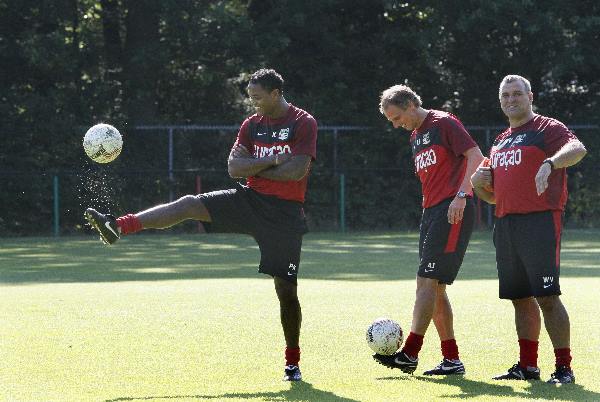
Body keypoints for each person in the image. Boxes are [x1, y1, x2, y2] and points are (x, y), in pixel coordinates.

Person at [84, 68, 318, 382]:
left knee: (286, 291)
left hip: (284, 214)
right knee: (189, 204)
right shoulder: (252, 125)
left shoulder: (303, 123)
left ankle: (292, 362)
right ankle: (118, 227)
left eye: (258, 98)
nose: (254, 104)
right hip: (248, 200)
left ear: (276, 94)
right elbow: (235, 169)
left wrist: (259, 167)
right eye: (251, 98)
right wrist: (275, 161)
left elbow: (297, 172)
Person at [471, 74, 587, 384]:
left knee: (547, 296)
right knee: (519, 298)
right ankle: (527, 366)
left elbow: (577, 148)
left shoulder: (547, 128)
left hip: (540, 222)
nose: (511, 99)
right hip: (506, 223)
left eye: (516, 94)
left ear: (530, 96)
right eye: (505, 95)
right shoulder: (500, 140)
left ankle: (564, 369)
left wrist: (550, 163)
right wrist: (477, 186)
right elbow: (494, 195)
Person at [373, 84, 484, 375]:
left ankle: (409, 354)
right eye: (392, 121)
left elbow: (476, 157)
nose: (397, 125)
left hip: (453, 208)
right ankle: (451, 360)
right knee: (434, 288)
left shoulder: (443, 122)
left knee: (427, 282)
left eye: (397, 117)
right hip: (432, 213)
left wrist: (461, 196)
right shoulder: (416, 136)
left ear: (411, 104)